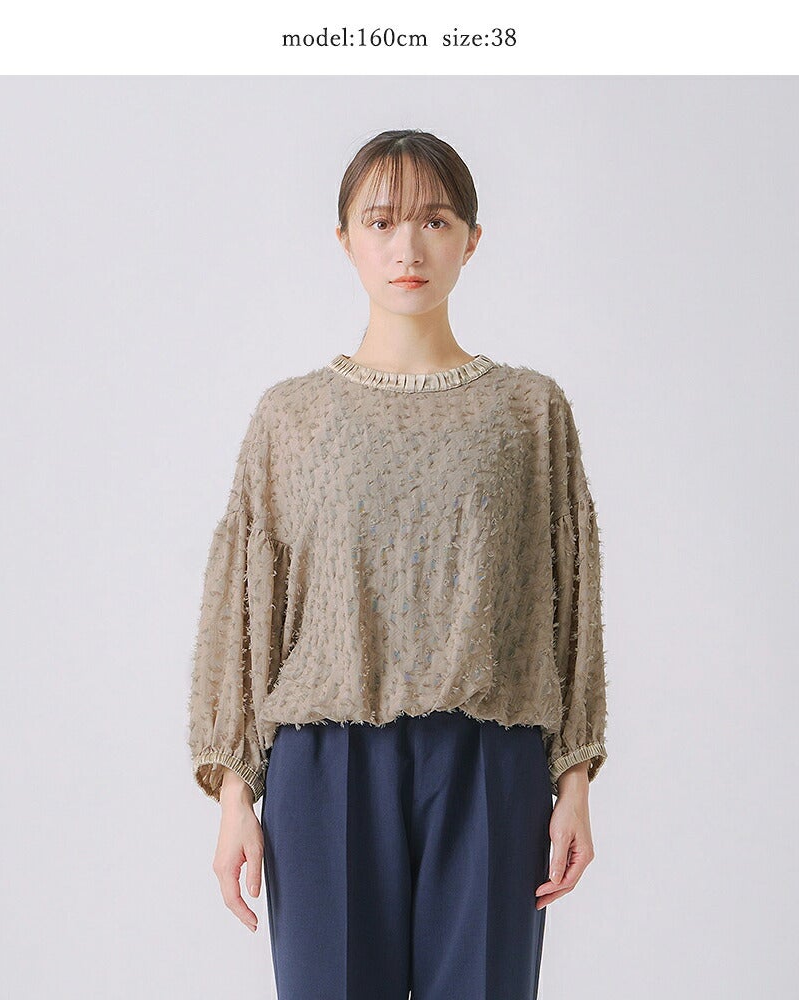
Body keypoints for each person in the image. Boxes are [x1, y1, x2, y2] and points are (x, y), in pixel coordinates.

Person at [187, 128, 609, 1000]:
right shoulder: (293, 418)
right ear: (345, 238)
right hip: (325, 766)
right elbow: (247, 606)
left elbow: (571, 597)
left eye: (435, 221)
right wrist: (235, 795)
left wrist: (574, 780)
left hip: (491, 763)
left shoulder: (530, 412)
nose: (407, 248)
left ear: (472, 240)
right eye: (381, 222)